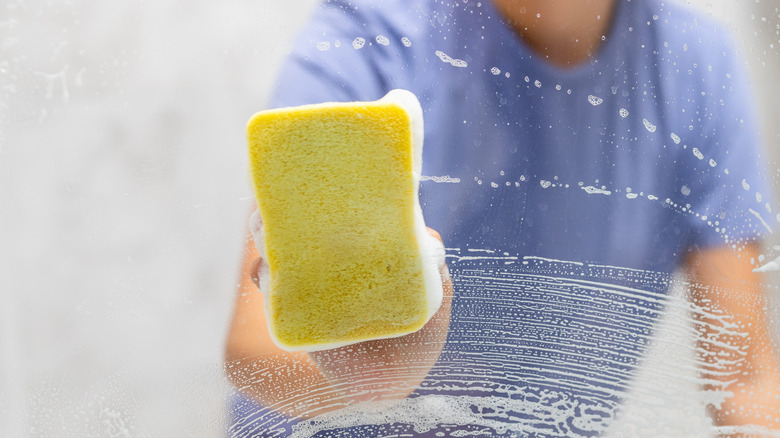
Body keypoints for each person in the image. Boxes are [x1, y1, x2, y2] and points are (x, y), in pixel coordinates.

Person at [225, 0, 780, 436]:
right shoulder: (367, 40)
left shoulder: (698, 65)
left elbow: (746, 377)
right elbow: (257, 345)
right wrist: (387, 391)